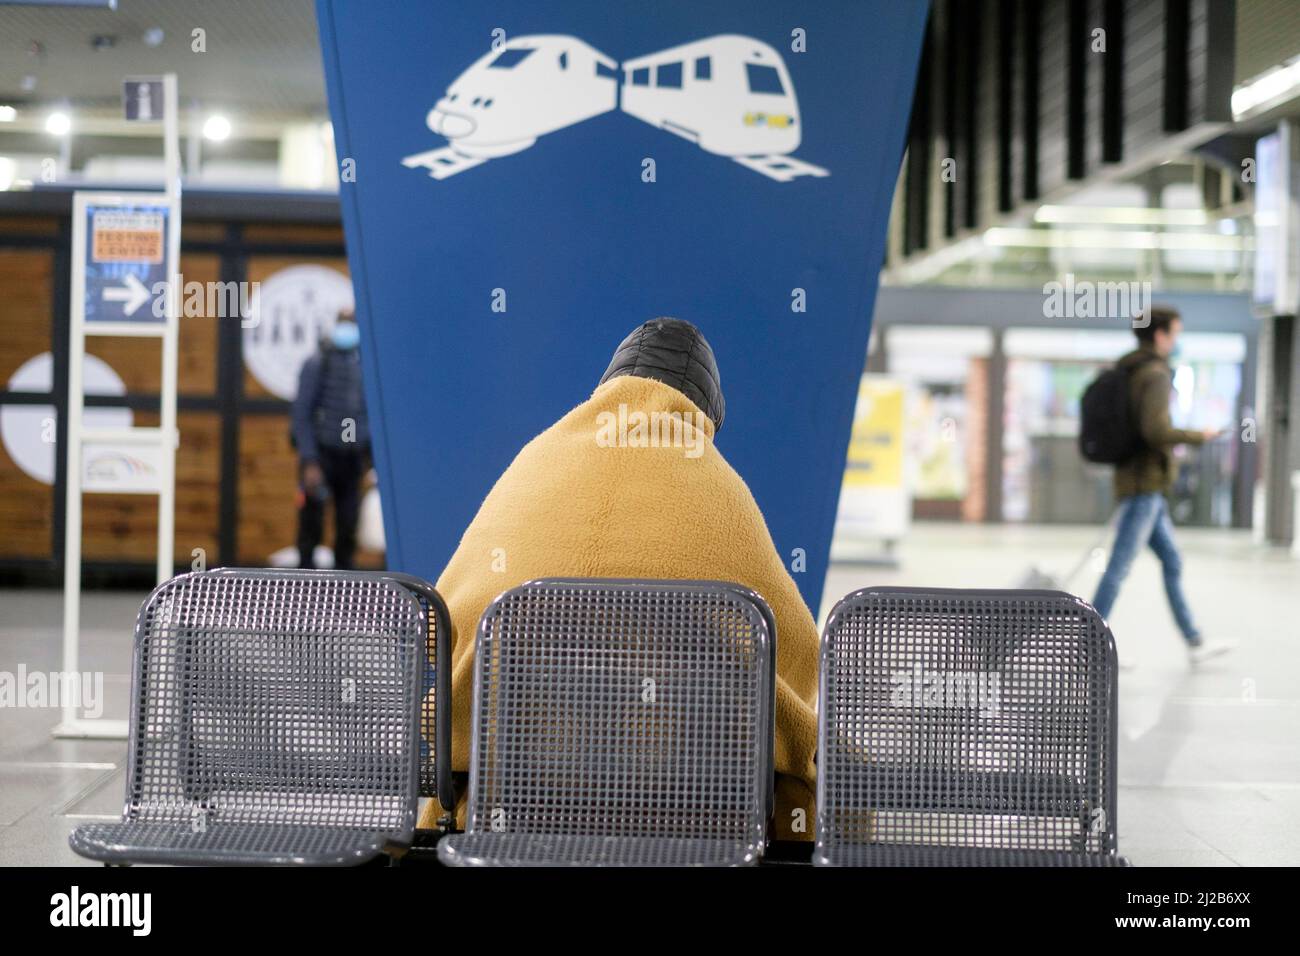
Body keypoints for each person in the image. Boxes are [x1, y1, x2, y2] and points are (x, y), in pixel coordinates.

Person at [418, 317, 819, 839]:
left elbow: (438, 628)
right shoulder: (721, 491)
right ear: (702, 416)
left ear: (605, 391)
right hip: (700, 821)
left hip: (505, 810)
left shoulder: (533, 464)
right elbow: (795, 659)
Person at [1091, 306, 1233, 663]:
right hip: (1144, 486)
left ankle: (1194, 640)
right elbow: (1155, 431)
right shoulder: (1153, 374)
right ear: (1160, 335)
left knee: (1171, 559)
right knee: (1118, 569)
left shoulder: (1128, 368)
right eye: (1174, 334)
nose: (1176, 341)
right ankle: (1089, 647)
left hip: (1140, 483)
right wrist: (1199, 435)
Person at [291, 309, 371, 570]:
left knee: (348, 526)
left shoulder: (366, 365)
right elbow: (302, 414)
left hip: (353, 458)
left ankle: (345, 589)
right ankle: (303, 585)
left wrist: (369, 458)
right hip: (322, 456)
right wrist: (309, 460)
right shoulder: (318, 362)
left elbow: (370, 413)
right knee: (310, 526)